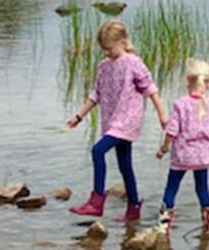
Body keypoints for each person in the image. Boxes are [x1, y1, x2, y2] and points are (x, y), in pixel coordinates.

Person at [67, 19, 168, 221]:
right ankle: (133, 206)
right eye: (104, 49)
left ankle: (96, 201)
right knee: (125, 165)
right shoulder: (104, 66)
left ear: (122, 42)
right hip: (113, 120)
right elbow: (96, 94)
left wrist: (162, 114)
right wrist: (79, 116)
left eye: (110, 48)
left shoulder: (133, 63)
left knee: (97, 150)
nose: (107, 53)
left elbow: (150, 88)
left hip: (127, 119)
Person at [156, 60, 209, 235]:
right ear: (208, 83)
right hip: (203, 157)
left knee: (172, 187)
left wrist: (164, 149)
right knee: (202, 188)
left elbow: (172, 130)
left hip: (182, 156)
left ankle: (164, 224)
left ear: (187, 81)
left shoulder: (181, 104)